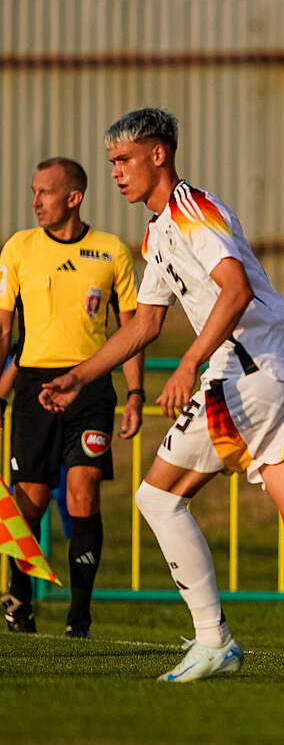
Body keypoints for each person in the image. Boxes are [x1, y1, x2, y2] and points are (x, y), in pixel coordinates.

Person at [39, 108, 284, 682]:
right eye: (111, 164)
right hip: (282, 373)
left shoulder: (192, 210)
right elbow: (143, 325)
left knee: (158, 499)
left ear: (159, 155)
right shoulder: (159, 231)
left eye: (125, 160)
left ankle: (214, 640)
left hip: (245, 373)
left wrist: (190, 363)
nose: (116, 173)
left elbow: (235, 289)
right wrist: (82, 375)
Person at [0, 157, 144, 638]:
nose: (36, 201)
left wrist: (136, 393)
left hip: (91, 389)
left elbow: (133, 330)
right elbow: (5, 332)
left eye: (45, 192)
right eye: (33, 191)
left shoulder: (111, 252)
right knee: (30, 504)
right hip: (34, 391)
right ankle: (19, 601)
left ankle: (78, 618)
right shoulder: (18, 249)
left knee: (83, 495)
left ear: (74, 198)